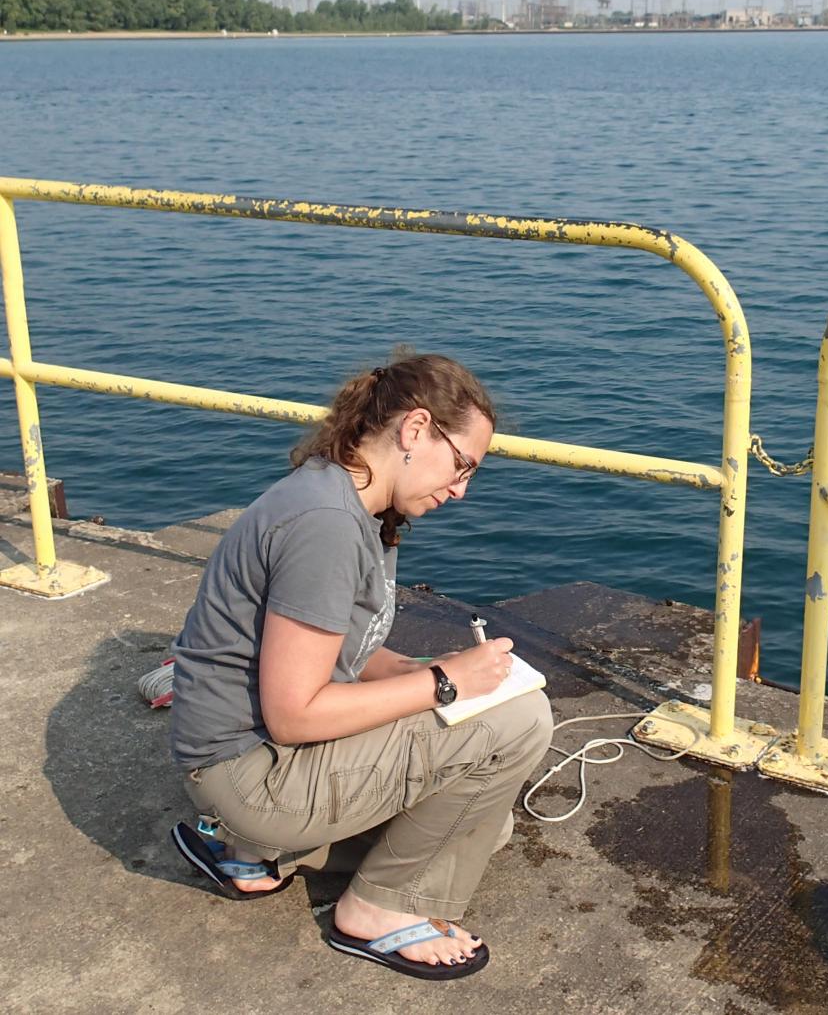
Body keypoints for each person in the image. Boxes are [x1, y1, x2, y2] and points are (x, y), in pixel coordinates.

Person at [166, 350, 553, 981]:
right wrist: (445, 684)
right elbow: (294, 714)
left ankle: (253, 852)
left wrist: (422, 668)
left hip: (235, 767)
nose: (460, 490)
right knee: (521, 721)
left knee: (484, 823)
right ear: (415, 429)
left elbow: (341, 650)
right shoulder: (325, 524)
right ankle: (376, 910)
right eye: (461, 466)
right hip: (255, 772)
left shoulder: (345, 500)